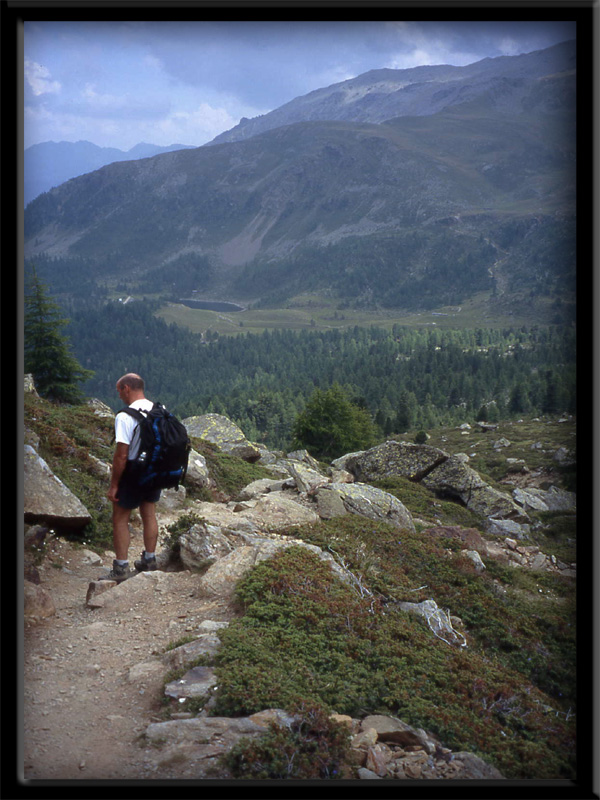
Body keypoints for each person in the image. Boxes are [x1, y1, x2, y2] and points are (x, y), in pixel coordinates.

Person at [99, 373, 160, 583]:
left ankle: (121, 567)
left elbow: (121, 455)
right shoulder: (159, 410)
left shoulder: (124, 416)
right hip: (154, 470)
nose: (118, 395)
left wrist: (114, 485)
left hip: (133, 471)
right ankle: (150, 560)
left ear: (127, 388)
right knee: (149, 514)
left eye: (119, 390)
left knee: (120, 518)